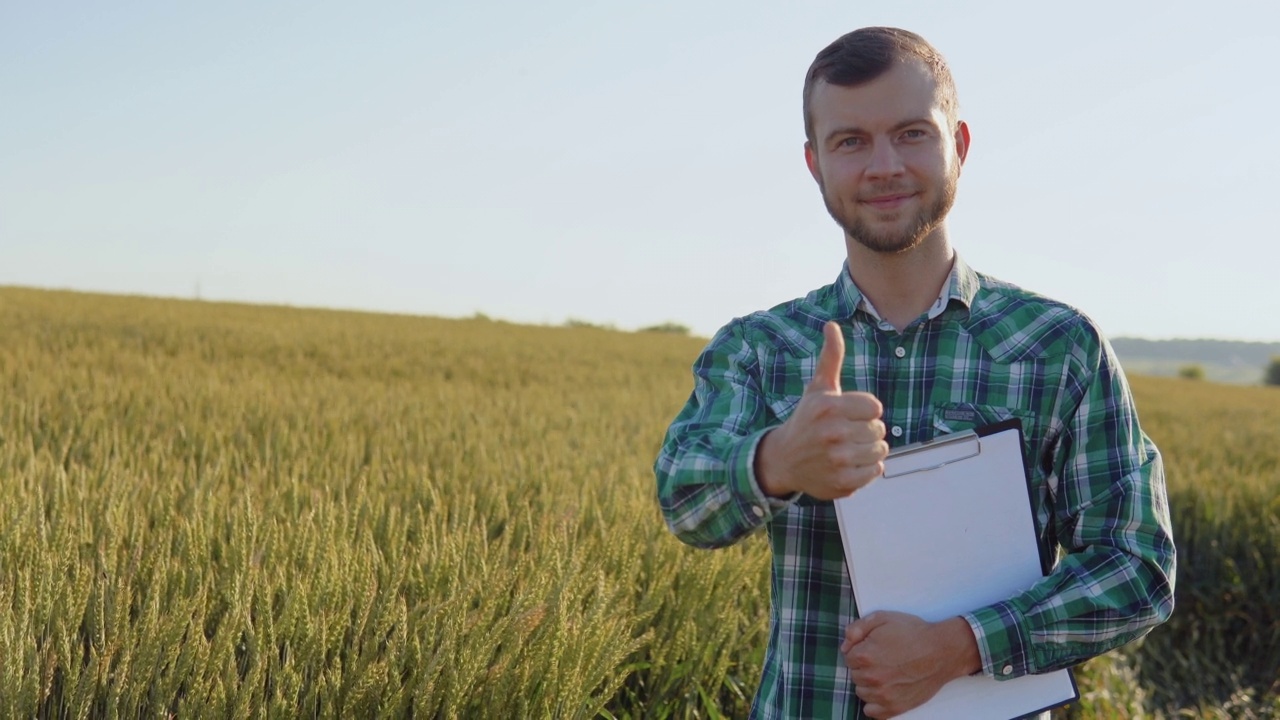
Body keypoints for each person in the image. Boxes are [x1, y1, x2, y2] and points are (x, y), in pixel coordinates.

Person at [654, 26, 1175, 719]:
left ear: (957, 145)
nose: (883, 166)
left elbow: (1137, 569)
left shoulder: (1059, 347)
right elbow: (683, 500)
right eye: (850, 142)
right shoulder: (761, 348)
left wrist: (962, 646)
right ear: (814, 164)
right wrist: (778, 460)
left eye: (911, 134)